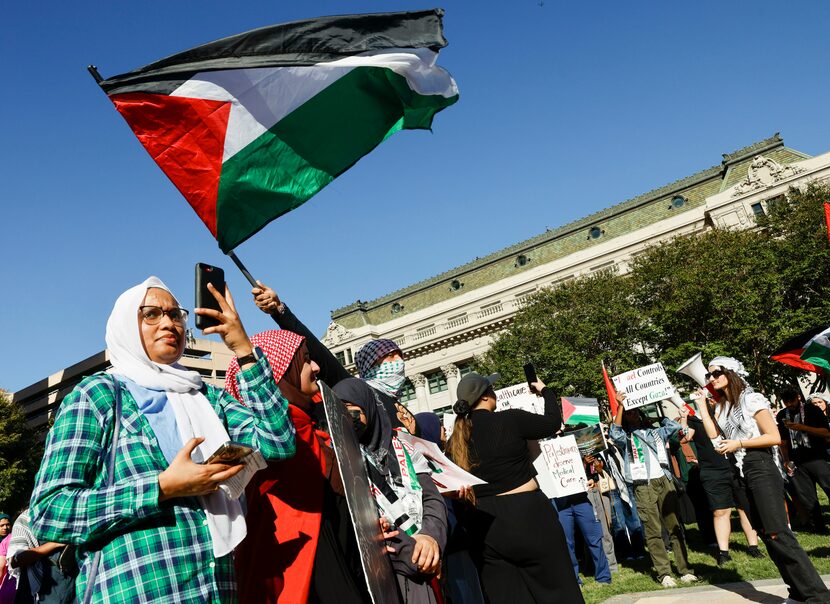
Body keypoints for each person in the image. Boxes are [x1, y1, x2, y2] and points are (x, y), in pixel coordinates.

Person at [30, 276, 296, 603]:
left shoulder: (206, 397)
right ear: (126, 325)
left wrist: (243, 349)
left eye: (176, 314)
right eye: (151, 314)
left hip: (216, 589)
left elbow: (278, 442)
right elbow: (49, 513)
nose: (168, 322)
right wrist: (162, 487)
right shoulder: (97, 396)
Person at [226, 330, 368, 604]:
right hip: (307, 565)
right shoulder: (277, 439)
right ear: (282, 372)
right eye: (304, 361)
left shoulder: (315, 427)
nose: (315, 367)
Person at [695, 356, 830, 604]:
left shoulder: (752, 399)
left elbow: (774, 436)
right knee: (767, 534)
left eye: (715, 373)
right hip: (739, 470)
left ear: (731, 373)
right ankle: (798, 592)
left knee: (779, 532)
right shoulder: (723, 406)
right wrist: (702, 407)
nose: (711, 379)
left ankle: (818, 597)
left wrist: (740, 443)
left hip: (760, 465)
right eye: (709, 376)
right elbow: (715, 437)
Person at [445, 372, 583, 603]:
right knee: (558, 590)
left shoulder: (455, 440)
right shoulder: (510, 419)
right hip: (528, 515)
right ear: (487, 396)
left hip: (484, 523)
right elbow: (552, 422)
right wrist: (546, 391)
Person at [333, 378, 447, 604]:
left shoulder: (403, 447)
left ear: (368, 406)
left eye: (352, 409)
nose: (348, 417)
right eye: (340, 409)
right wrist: (414, 555)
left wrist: (431, 539)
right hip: (383, 572)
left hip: (421, 566)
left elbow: (432, 499)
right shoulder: (339, 459)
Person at [251, 281, 406, 429]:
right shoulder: (358, 392)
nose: (399, 361)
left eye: (400, 356)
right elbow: (320, 354)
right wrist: (279, 311)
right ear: (370, 364)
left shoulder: (400, 408)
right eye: (390, 356)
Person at [608, 396, 697, 588]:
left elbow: (674, 428)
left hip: (664, 481)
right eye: (629, 413)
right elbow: (614, 433)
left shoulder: (657, 431)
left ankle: (684, 569)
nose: (633, 415)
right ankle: (664, 572)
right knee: (653, 530)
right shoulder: (627, 437)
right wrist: (621, 406)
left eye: (635, 411)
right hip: (643, 485)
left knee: (674, 526)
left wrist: (660, 413)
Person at [678, 408, 763, 565]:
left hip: (735, 466)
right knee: (720, 510)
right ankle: (723, 552)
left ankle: (753, 546)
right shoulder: (695, 421)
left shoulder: (728, 414)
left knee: (744, 507)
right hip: (712, 472)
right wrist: (683, 419)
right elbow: (684, 438)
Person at [776, 386, 830, 533]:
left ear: (798, 397)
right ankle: (819, 526)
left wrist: (801, 427)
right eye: (786, 402)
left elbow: (826, 432)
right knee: (807, 496)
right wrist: (786, 459)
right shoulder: (782, 415)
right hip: (797, 461)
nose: (790, 404)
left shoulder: (812, 410)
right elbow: (784, 441)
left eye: (792, 400)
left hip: (816, 457)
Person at [7, 507, 76, 604]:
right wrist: (54, 544)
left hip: (70, 586)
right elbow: (15, 561)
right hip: (41, 590)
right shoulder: (27, 518)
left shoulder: (72, 513)